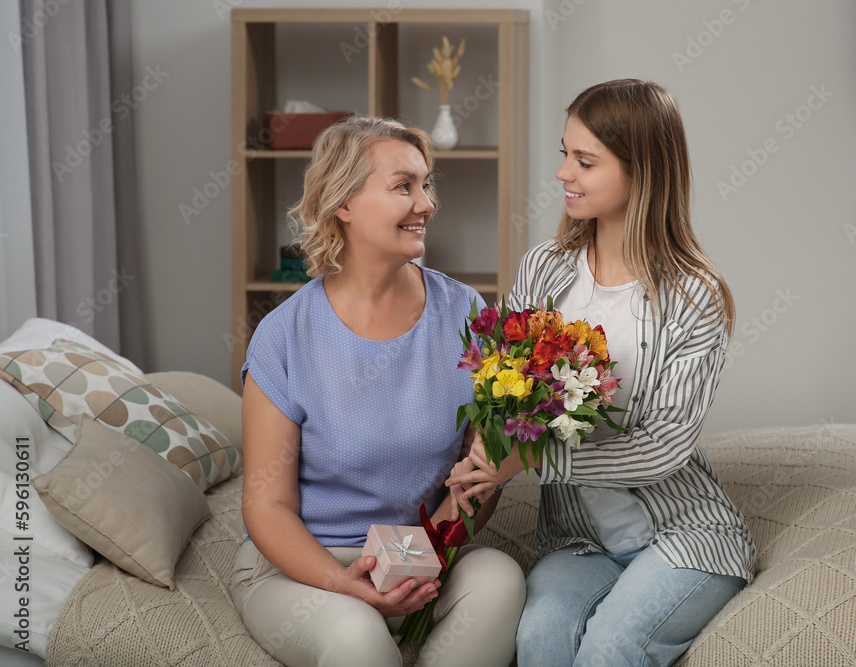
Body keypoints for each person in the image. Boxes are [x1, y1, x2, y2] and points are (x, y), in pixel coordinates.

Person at [447, 79, 757, 666]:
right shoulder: (545, 269)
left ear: (642, 173)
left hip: (685, 537)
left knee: (612, 648)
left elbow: (665, 445)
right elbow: (502, 394)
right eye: (564, 154)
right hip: (579, 544)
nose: (564, 173)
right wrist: (478, 462)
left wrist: (531, 460)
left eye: (585, 161)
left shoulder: (694, 296)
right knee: (539, 639)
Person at [232, 116, 525, 667]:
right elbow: (266, 506)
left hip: (420, 550)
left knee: (499, 580)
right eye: (403, 186)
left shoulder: (466, 313)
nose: (426, 204)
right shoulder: (285, 335)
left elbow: (479, 474)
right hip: (305, 564)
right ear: (343, 203)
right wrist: (351, 587)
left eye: (426, 183)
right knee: (356, 636)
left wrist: (426, 556)